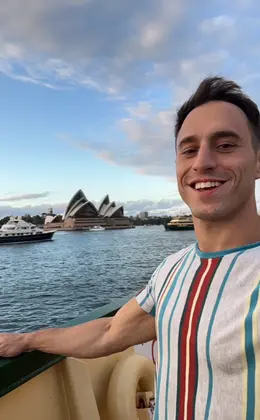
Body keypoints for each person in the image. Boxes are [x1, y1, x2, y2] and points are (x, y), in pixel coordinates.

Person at [1, 75, 260, 419]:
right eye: (189, 149)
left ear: (258, 161)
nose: (203, 162)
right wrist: (27, 340)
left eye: (225, 145)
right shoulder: (173, 269)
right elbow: (109, 332)